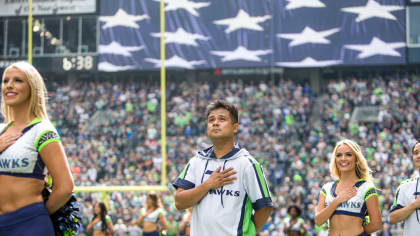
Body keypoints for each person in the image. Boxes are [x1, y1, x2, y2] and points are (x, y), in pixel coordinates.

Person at [173, 100, 273, 236]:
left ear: (235, 127)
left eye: (222, 119)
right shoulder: (196, 161)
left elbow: (265, 207)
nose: (215, 123)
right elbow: (179, 202)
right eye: (211, 120)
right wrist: (207, 185)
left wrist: (249, 233)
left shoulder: (248, 164)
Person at [0, 61, 74, 235]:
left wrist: (37, 215)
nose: (9, 85)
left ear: (32, 87)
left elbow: (65, 186)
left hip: (30, 225)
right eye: (5, 81)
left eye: (18, 80)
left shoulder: (42, 130)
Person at [314, 139, 382, 235]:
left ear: (356, 159)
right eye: (339, 155)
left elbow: (376, 224)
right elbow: (318, 221)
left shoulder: (366, 188)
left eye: (348, 154)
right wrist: (337, 200)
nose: (343, 158)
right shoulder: (327, 188)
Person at [389, 140, 420, 236]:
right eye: (415, 153)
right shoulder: (405, 186)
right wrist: (414, 205)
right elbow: (392, 218)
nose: (418, 155)